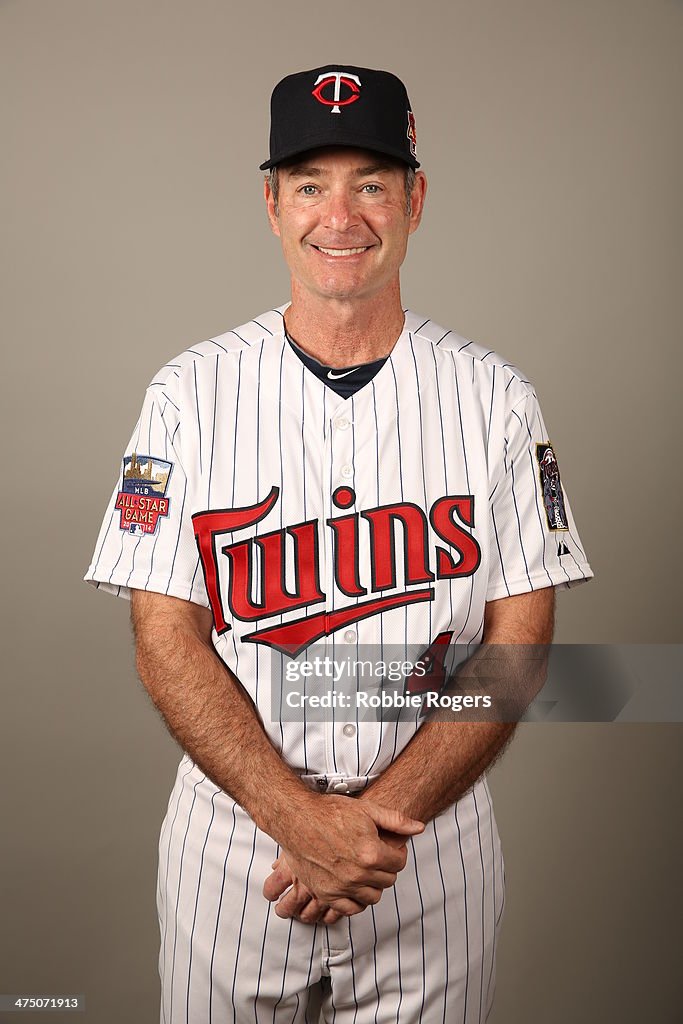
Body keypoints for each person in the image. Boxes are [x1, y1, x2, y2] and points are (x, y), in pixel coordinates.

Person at [85, 64, 593, 1023]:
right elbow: (165, 638)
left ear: (415, 199)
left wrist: (371, 828)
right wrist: (298, 819)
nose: (341, 214)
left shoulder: (495, 399)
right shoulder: (188, 394)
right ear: (271, 203)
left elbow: (520, 642)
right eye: (311, 184)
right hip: (238, 846)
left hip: (428, 845)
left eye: (371, 182)